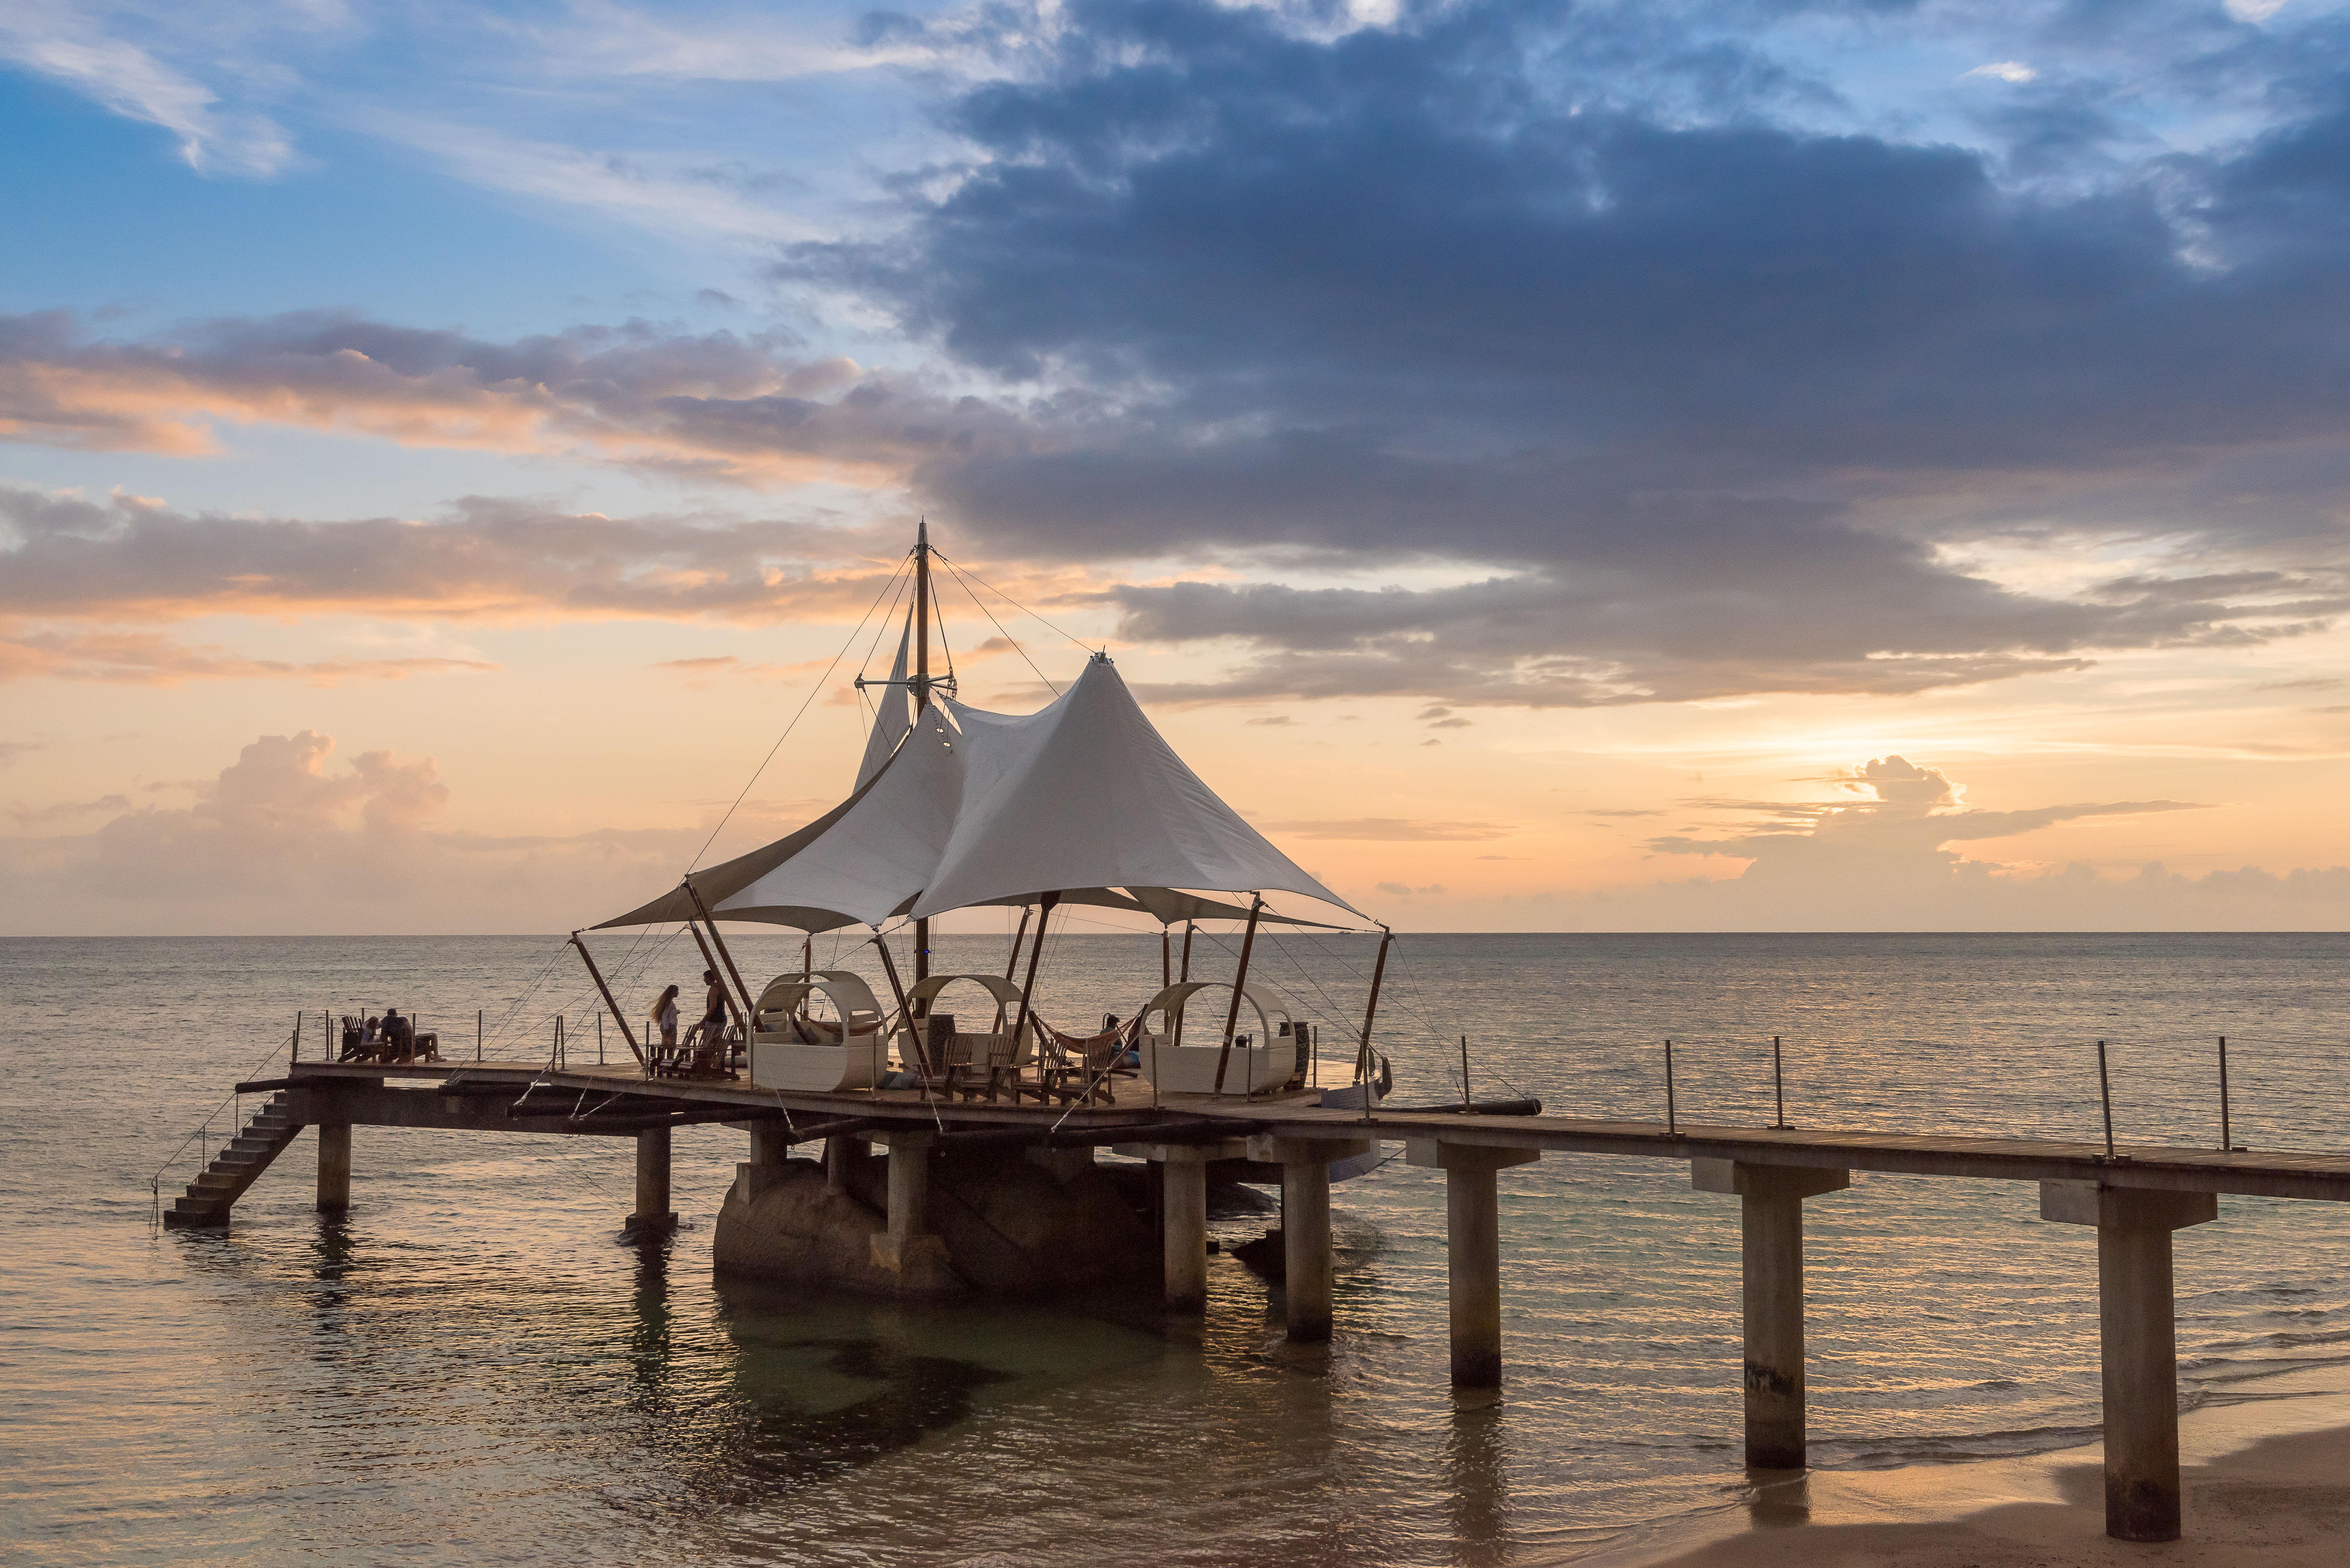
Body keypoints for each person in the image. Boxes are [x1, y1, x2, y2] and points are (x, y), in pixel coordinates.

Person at [649, 985, 681, 1059]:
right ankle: (668, 1064)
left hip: (666, 1026)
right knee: (671, 1047)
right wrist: (667, 1029)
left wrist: (676, 1012)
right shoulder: (669, 1002)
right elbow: (665, 1016)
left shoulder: (669, 1002)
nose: (678, 993)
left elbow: (667, 1014)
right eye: (678, 991)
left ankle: (663, 1063)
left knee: (665, 1046)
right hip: (670, 1027)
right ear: (674, 992)